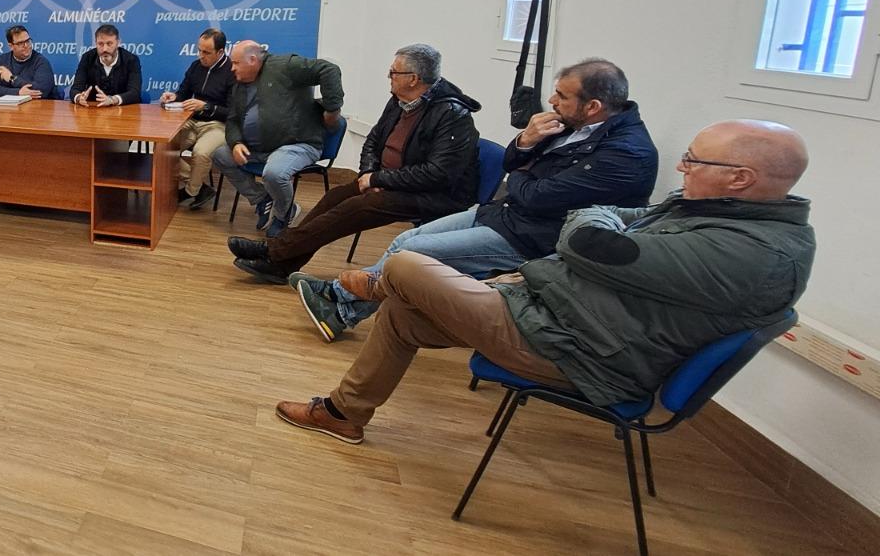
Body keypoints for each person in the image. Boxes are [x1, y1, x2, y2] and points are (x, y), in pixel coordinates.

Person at [274, 120, 815, 452]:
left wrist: (592, 223)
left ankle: (373, 285)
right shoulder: (709, 210)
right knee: (404, 314)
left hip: (577, 350)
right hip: (553, 311)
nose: (682, 167)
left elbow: (589, 240)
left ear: (741, 178)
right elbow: (604, 217)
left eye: (694, 160)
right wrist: (595, 221)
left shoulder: (752, 253)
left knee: (408, 264)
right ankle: (343, 415)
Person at [290, 57, 658, 339]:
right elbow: (514, 164)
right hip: (504, 213)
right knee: (406, 240)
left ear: (593, 106)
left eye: (562, 96)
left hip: (534, 237)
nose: (551, 101)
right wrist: (526, 141)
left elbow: (535, 196)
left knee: (411, 254)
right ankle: (339, 303)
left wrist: (521, 175)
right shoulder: (572, 125)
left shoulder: (626, 155)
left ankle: (339, 304)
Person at [228, 44, 480, 283]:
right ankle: (283, 265)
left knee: (357, 207)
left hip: (433, 194)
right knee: (334, 198)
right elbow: (373, 140)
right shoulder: (399, 100)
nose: (389, 76)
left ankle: (273, 252)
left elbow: (437, 174)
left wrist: (379, 179)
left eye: (394, 72)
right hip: (392, 180)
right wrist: (369, 173)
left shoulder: (452, 115)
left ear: (413, 79)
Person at [210, 41, 343, 238]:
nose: (232, 68)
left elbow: (329, 69)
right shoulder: (240, 84)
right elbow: (233, 120)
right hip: (258, 149)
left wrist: (332, 109)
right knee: (221, 155)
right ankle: (262, 198)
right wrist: (236, 142)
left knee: (274, 173)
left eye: (236, 63)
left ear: (252, 60)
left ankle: (283, 214)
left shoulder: (286, 66)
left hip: (296, 144)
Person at [159, 28, 234, 209]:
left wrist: (206, 107)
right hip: (192, 120)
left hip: (218, 124)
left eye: (206, 52)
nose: (201, 56)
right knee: (163, 150)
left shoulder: (232, 71)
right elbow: (183, 94)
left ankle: (191, 191)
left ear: (220, 52)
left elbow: (234, 112)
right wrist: (173, 97)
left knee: (200, 153)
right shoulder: (195, 66)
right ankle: (200, 189)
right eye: (199, 50)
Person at [69, 24, 141, 107]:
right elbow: (75, 89)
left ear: (118, 42)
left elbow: (135, 93)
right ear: (95, 43)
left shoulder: (131, 60)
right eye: (100, 44)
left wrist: (113, 100)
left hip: (122, 110)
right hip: (93, 110)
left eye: (109, 44)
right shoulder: (87, 58)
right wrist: (79, 98)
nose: (104, 49)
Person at [0, 24, 56, 99]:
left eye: (28, 41)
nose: (26, 45)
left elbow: (40, 91)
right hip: (10, 105)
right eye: (20, 43)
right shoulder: (2, 60)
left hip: (37, 105)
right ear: (11, 46)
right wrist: (18, 92)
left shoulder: (41, 61)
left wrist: (12, 79)